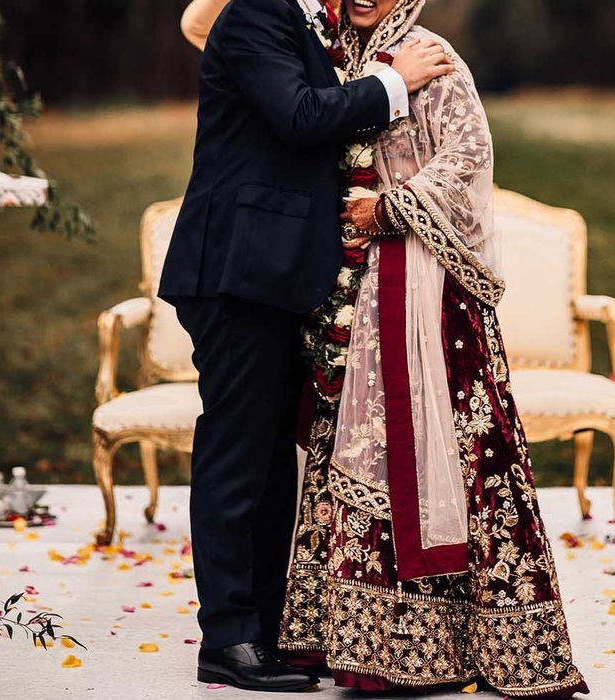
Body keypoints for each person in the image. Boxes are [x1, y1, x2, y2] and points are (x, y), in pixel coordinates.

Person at [278, 1, 591, 698]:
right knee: (353, 447)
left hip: (432, 296)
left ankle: (474, 639)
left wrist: (386, 208)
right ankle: (361, 643)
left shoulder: (433, 57)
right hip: (349, 295)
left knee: (460, 453)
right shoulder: (331, 62)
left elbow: (470, 161)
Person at [158, 0, 454, 693]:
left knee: (267, 458)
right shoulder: (254, 15)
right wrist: (393, 80)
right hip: (236, 271)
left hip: (278, 274)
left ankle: (262, 630)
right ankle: (227, 639)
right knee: (237, 454)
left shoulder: (312, 29)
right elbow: (296, 115)